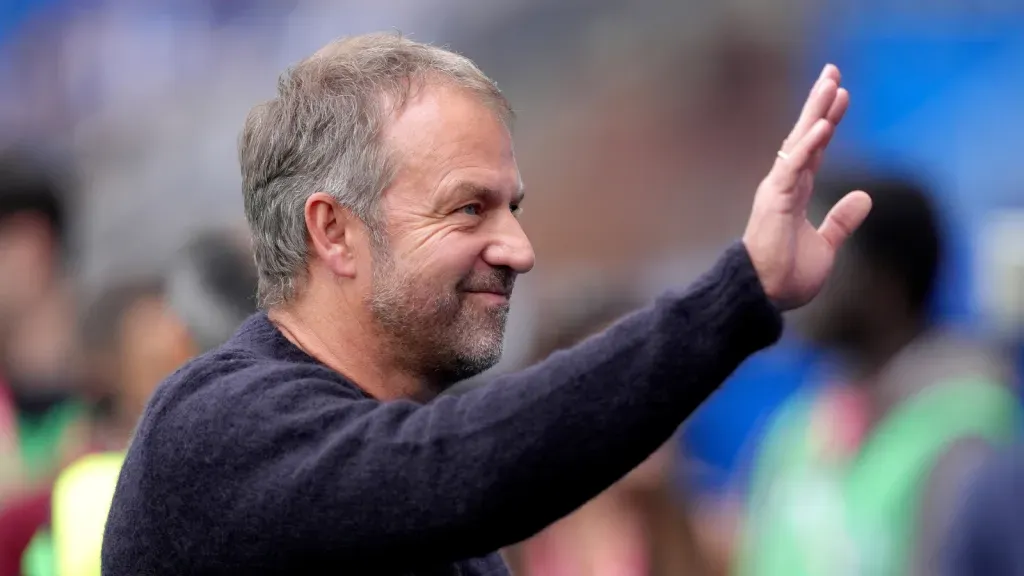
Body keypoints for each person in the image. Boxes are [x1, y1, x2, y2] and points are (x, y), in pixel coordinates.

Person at [102, 33, 871, 575]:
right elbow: (455, 467)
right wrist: (738, 296)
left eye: (514, 208)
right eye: (469, 209)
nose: (519, 249)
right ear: (334, 231)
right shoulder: (217, 426)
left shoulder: (415, 486)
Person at [733, 176, 1019, 576]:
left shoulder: (968, 427)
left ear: (887, 281)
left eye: (825, 253)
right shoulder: (796, 429)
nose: (796, 273)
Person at [19, 229, 259, 576]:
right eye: (159, 359)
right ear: (108, 371)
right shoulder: (89, 485)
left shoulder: (76, 482)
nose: (181, 348)